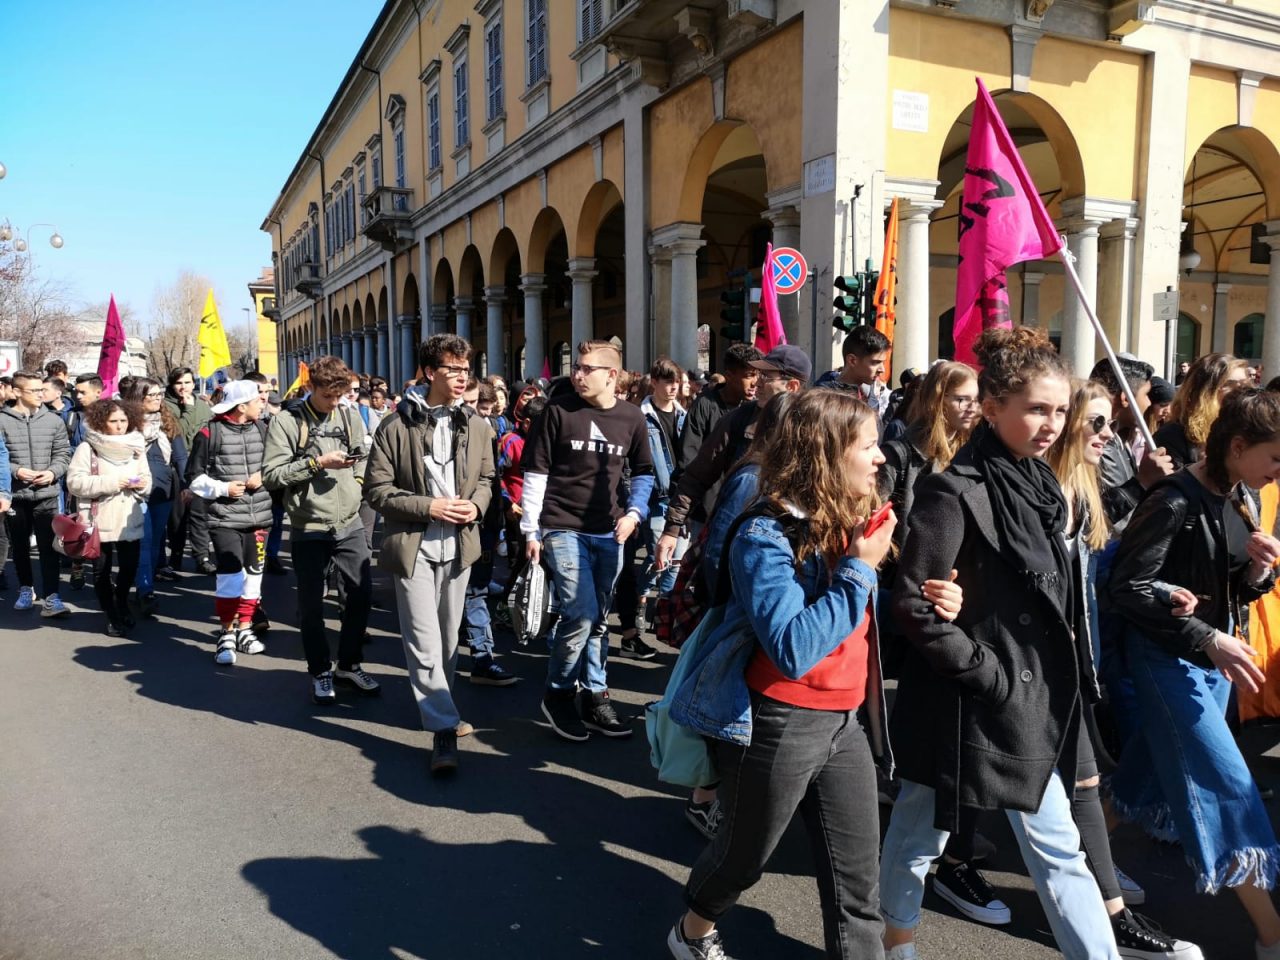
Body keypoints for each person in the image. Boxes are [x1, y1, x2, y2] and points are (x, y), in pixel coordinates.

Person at [880, 327, 1119, 960]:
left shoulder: (1042, 485)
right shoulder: (952, 490)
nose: (1052, 422)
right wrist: (987, 673)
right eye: (1037, 409)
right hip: (967, 704)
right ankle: (894, 944)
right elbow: (912, 604)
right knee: (917, 837)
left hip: (1032, 702)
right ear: (992, 409)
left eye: (1060, 408)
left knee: (1059, 848)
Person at [666, 389, 896, 960]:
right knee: (743, 857)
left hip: (847, 724)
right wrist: (860, 572)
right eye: (868, 445)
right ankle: (692, 929)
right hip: (777, 721)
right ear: (827, 452)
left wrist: (937, 597)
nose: (881, 457)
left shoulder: (859, 520)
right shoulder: (764, 534)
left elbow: (863, 623)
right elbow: (794, 647)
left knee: (858, 884)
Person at [1109, 387, 1280, 960]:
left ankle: (1084, 856)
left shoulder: (1240, 499)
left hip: (1211, 666)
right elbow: (1127, 588)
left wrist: (1257, 572)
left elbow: (1232, 587)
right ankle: (1271, 933)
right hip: (1168, 663)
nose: (1279, 472)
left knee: (1145, 773)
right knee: (1228, 786)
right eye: (1276, 458)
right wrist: (1206, 636)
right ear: (1237, 445)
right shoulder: (1174, 499)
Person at [365, 335, 495, 774]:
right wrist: (430, 506)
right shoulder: (394, 426)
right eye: (452, 369)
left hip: (459, 546)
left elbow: (488, 479)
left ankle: (442, 704)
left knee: (449, 638)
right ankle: (442, 727)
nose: (461, 378)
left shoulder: (477, 425)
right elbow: (377, 491)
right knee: (422, 640)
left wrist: (475, 505)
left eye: (466, 369)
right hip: (414, 546)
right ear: (429, 372)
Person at [521, 339, 654, 742]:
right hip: (562, 526)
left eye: (587, 369)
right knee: (579, 611)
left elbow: (645, 471)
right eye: (576, 367)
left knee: (597, 619)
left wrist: (634, 514)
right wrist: (531, 528)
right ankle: (558, 692)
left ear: (611, 375)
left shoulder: (632, 418)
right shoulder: (558, 411)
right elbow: (536, 473)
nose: (577, 374)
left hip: (610, 531)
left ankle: (595, 695)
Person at [264, 356, 381, 704]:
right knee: (311, 605)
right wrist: (317, 463)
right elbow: (272, 475)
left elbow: (364, 457)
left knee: (359, 596)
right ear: (311, 387)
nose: (335, 403)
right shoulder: (288, 421)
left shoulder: (348, 415)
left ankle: (348, 664)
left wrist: (357, 482)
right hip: (308, 526)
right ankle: (320, 671)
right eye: (328, 397)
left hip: (350, 523)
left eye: (340, 396)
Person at [656, 345, 810, 571]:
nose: (757, 382)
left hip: (789, 550)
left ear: (793, 386)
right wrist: (672, 529)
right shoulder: (737, 420)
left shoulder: (814, 430)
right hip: (730, 543)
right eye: (757, 374)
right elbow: (695, 477)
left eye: (766, 376)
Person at [186, 380, 272, 666]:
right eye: (258, 399)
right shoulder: (209, 432)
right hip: (224, 519)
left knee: (254, 578)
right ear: (241, 406)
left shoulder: (263, 429)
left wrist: (263, 474)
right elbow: (194, 478)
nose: (264, 403)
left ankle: (245, 629)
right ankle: (226, 633)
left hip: (259, 518)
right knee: (230, 577)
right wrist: (224, 489)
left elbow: (277, 465)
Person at [65, 398, 151, 637]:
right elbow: (75, 482)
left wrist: (141, 485)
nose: (120, 425)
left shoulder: (136, 446)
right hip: (98, 517)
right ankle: (111, 613)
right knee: (101, 571)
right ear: (102, 421)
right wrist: (114, 482)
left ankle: (121, 601)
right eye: (114, 421)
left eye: (124, 420)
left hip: (128, 517)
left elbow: (147, 478)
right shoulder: (88, 447)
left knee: (129, 567)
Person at [0, 370, 71, 616]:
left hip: (47, 495)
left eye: (42, 390)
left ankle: (52, 596)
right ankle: (25, 588)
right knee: (19, 547)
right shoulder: (2, 420)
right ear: (17, 392)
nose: (41, 395)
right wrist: (17, 471)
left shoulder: (54, 420)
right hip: (16, 497)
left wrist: (53, 473)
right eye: (35, 391)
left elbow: (64, 454)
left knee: (49, 548)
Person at [118, 377, 187, 617]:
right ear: (138, 398)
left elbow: (180, 457)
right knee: (144, 542)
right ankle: (144, 591)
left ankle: (145, 584)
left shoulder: (168, 421)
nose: (158, 399)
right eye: (152, 396)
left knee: (156, 541)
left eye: (159, 395)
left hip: (163, 490)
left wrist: (187, 484)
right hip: (136, 492)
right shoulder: (125, 423)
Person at [632, 357, 687, 660]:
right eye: (666, 382)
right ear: (654, 382)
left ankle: (661, 610)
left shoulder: (683, 415)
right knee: (659, 559)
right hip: (656, 500)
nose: (672, 388)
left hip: (681, 500)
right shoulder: (641, 416)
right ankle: (641, 603)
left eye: (676, 382)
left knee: (675, 561)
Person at [1154, 352, 1250, 469]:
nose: (1241, 391)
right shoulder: (1172, 435)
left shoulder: (1245, 430)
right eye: (1230, 384)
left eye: (1245, 384)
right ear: (1204, 391)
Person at [677, 343, 760, 473]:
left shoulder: (756, 409)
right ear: (729, 375)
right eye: (749, 376)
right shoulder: (704, 405)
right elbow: (688, 458)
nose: (755, 382)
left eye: (757, 375)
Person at [165, 367, 215, 574]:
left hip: (201, 465)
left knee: (199, 514)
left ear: (193, 383)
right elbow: (181, 433)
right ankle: (175, 555)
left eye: (187, 382)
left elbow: (208, 431)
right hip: (177, 465)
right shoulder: (165, 406)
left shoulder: (203, 405)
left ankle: (201, 556)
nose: (183, 387)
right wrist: (188, 410)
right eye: (179, 383)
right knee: (177, 516)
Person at [816, 325, 892, 419]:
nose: (882, 370)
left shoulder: (871, 394)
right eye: (875, 362)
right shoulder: (823, 399)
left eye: (883, 362)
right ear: (852, 360)